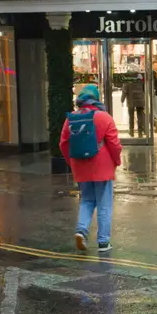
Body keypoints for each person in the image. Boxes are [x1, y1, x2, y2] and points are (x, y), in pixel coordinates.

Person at [59, 84, 122, 252]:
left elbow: (63, 144)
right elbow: (114, 144)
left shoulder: (70, 118)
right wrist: (116, 161)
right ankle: (103, 242)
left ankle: (81, 230)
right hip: (102, 168)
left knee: (86, 200)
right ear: (96, 99)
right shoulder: (104, 117)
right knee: (104, 204)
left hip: (80, 167)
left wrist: (72, 163)